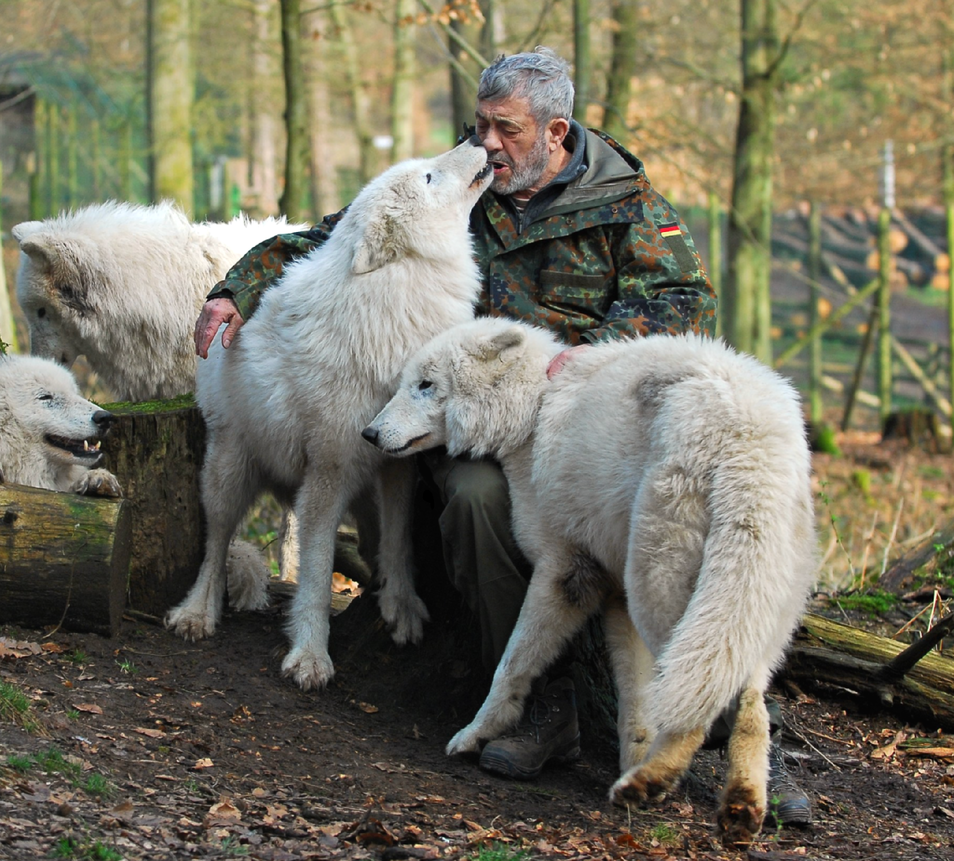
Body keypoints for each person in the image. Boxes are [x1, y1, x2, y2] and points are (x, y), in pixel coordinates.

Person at [194, 46, 810, 827]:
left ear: (556, 131)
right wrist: (233, 288)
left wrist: (605, 349)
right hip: (478, 425)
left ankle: (749, 735)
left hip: (592, 424)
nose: (485, 141)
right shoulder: (468, 184)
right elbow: (337, 235)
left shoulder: (627, 205)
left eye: (505, 128)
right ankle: (538, 703)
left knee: (686, 546)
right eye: (480, 123)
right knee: (479, 501)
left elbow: (687, 299)